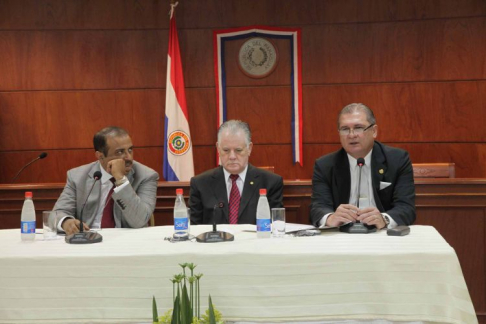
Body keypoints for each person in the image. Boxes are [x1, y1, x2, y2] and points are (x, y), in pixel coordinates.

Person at [310, 103, 415, 230]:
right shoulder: (325, 165)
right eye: (345, 129)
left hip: (382, 233)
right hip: (342, 234)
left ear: (374, 131)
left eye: (358, 127)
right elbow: (318, 207)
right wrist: (330, 218)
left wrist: (384, 219)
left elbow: (406, 207)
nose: (351, 135)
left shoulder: (397, 160)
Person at [52, 126, 159, 235]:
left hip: (126, 242)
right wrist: (66, 222)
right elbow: (56, 213)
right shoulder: (77, 176)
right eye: (120, 152)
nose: (129, 158)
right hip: (87, 239)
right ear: (101, 156)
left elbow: (139, 221)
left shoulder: (146, 176)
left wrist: (120, 180)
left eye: (130, 150)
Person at [189, 120, 283, 225]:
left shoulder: (271, 182)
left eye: (238, 150)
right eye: (226, 150)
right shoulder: (200, 184)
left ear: (249, 148)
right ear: (218, 149)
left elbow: (276, 226)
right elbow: (194, 229)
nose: (232, 156)